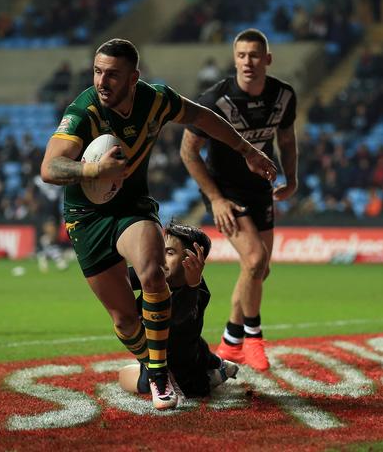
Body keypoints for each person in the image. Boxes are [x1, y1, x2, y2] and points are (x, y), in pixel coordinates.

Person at [40, 38, 277, 410]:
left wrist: (247, 149)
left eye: (113, 75)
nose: (102, 82)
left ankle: (161, 376)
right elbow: (49, 167)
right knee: (123, 319)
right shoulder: (82, 111)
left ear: (134, 78)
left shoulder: (156, 100)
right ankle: (159, 366)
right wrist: (93, 169)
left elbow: (201, 116)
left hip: (132, 207)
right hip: (86, 218)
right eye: (98, 72)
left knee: (152, 273)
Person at [180, 28, 298, 371]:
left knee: (260, 268)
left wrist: (292, 179)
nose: (249, 62)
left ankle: (230, 341)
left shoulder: (284, 96)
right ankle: (254, 338)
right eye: (242, 55)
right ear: (235, 60)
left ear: (268, 59)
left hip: (260, 188)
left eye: (255, 55)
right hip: (225, 191)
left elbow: (287, 140)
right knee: (255, 258)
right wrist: (215, 198)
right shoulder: (214, 100)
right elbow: (188, 152)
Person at [119, 222, 238, 398]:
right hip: (188, 352)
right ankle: (215, 363)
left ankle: (214, 373)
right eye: (160, 250)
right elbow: (119, 278)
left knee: (123, 376)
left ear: (193, 259)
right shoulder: (157, 273)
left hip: (185, 377)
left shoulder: (197, 293)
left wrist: (192, 286)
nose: (160, 257)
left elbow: (176, 315)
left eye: (169, 252)